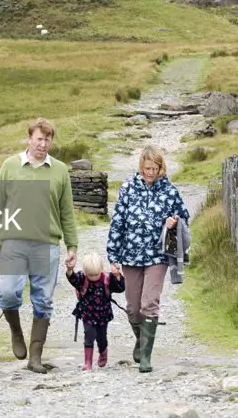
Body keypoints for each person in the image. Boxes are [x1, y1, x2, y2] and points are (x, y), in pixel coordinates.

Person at [0, 117, 78, 373]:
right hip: (14, 242)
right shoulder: (10, 166)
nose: (43, 144)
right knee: (7, 292)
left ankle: (35, 358)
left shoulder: (60, 170)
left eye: (47, 140)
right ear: (29, 138)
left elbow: (67, 212)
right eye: (39, 139)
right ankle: (16, 332)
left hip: (47, 245)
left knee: (43, 301)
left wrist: (72, 246)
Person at [106, 145, 190, 373]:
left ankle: (146, 356)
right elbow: (118, 223)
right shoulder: (128, 189)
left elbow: (184, 216)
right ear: (140, 167)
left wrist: (174, 222)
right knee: (133, 308)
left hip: (157, 255)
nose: (150, 173)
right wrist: (113, 255)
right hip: (130, 255)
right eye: (146, 169)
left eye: (154, 169)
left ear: (161, 168)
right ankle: (141, 339)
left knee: (149, 304)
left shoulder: (170, 191)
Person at [66, 249, 125, 370]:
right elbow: (73, 279)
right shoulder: (82, 278)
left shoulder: (108, 278)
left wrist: (118, 275)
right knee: (89, 335)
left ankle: (103, 352)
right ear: (85, 271)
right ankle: (88, 362)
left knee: (101, 337)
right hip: (87, 313)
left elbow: (120, 288)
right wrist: (70, 270)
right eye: (90, 275)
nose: (93, 277)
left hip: (103, 313)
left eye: (96, 275)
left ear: (102, 270)